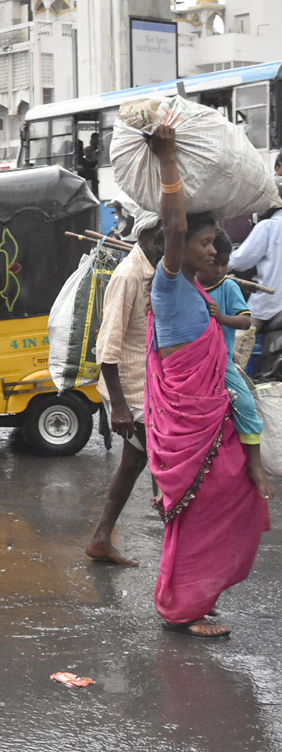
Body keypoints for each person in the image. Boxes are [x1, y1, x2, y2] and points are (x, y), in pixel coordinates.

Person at [145, 123, 272, 638]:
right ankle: (181, 607)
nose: (215, 251)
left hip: (208, 416)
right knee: (203, 506)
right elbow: (174, 228)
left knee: (231, 495)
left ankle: (196, 593)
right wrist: (169, 159)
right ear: (179, 248)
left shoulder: (200, 291)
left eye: (217, 244)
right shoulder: (169, 284)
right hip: (190, 424)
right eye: (205, 243)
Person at [85, 214, 163, 566]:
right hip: (131, 391)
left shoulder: (159, 270)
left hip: (151, 384)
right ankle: (178, 555)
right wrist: (118, 405)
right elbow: (107, 345)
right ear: (145, 235)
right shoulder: (128, 275)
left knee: (135, 462)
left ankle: (101, 537)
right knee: (164, 465)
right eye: (162, 237)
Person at [200, 228, 265, 458]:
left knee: (246, 403)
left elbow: (246, 321)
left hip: (222, 361)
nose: (219, 270)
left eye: (224, 264)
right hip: (191, 363)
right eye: (213, 264)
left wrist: (222, 318)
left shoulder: (228, 287)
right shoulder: (185, 285)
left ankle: (255, 463)